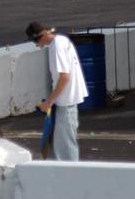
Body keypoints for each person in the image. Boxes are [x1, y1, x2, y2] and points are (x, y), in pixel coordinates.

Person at [25, 21, 88, 161]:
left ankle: (70, 178)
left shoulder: (55, 48)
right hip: (68, 100)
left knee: (64, 147)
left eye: (36, 42)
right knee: (65, 143)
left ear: (38, 38)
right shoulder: (62, 40)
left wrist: (49, 102)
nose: (38, 46)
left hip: (65, 102)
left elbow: (64, 77)